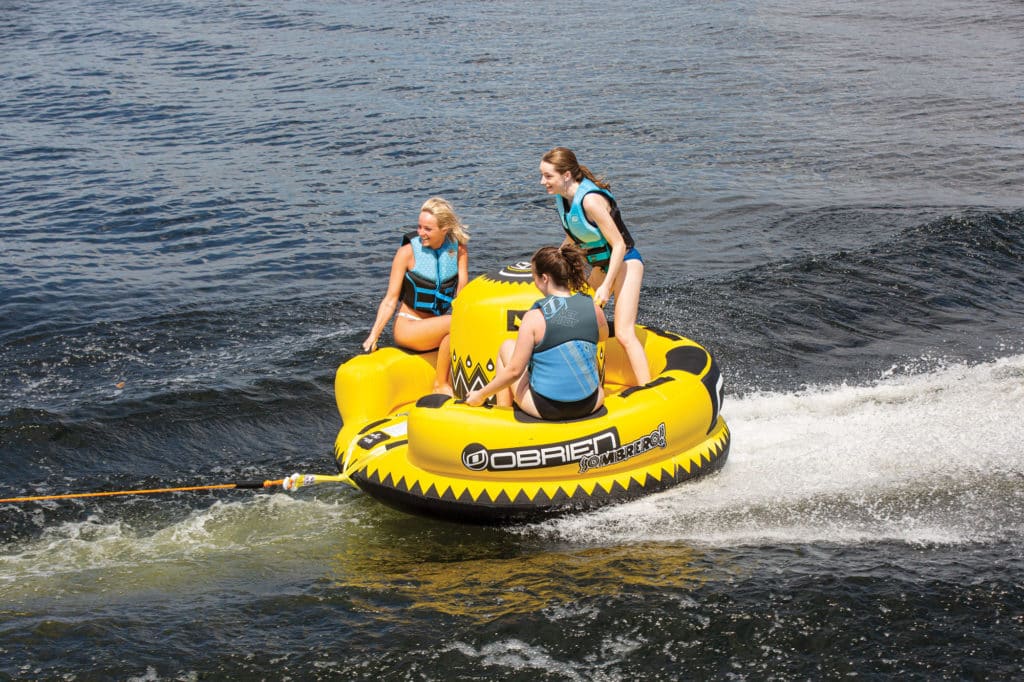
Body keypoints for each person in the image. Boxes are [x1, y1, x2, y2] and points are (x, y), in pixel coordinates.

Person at [538, 146, 651, 386]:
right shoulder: (564, 200)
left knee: (623, 332)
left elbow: (619, 245)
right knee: (575, 315)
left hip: (626, 263)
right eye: (542, 175)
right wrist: (555, 261)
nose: (542, 181)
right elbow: (575, 236)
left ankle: (649, 389)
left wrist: (605, 286)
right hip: (601, 266)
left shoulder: (590, 201)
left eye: (548, 176)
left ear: (566, 175)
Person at [465, 245, 608, 420]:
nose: (534, 281)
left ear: (545, 278)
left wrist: (480, 395)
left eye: (535, 276)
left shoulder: (534, 317)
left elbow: (514, 372)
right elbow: (602, 337)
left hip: (547, 408)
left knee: (507, 346)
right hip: (591, 402)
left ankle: (502, 415)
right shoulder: (594, 308)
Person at [362, 197, 469, 394]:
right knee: (455, 322)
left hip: (437, 325)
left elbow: (461, 293)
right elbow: (390, 299)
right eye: (419, 227)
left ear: (444, 229)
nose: (421, 233)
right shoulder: (407, 253)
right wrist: (373, 336)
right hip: (409, 326)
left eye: (428, 229)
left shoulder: (458, 250)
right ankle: (440, 384)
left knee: (461, 321)